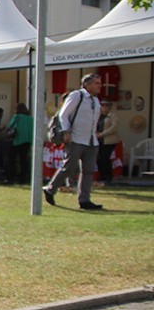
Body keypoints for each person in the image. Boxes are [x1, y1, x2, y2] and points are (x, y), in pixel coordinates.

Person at [44, 74, 103, 209]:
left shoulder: (96, 100)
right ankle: (50, 189)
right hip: (76, 138)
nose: (100, 86)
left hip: (91, 140)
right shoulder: (77, 96)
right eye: (96, 83)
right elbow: (63, 114)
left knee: (88, 170)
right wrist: (66, 132)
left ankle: (84, 200)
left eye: (100, 83)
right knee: (69, 168)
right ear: (87, 84)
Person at [2, 102, 33, 185]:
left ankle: (10, 178)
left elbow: (10, 126)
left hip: (17, 140)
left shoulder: (17, 117)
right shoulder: (31, 118)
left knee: (12, 160)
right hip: (28, 141)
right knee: (24, 160)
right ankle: (23, 178)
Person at [95, 100, 120, 185]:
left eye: (106, 105)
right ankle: (101, 175)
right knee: (98, 158)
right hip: (99, 140)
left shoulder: (112, 116)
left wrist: (102, 134)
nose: (104, 107)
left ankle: (108, 176)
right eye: (102, 105)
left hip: (109, 141)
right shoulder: (98, 116)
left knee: (105, 158)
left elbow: (114, 128)